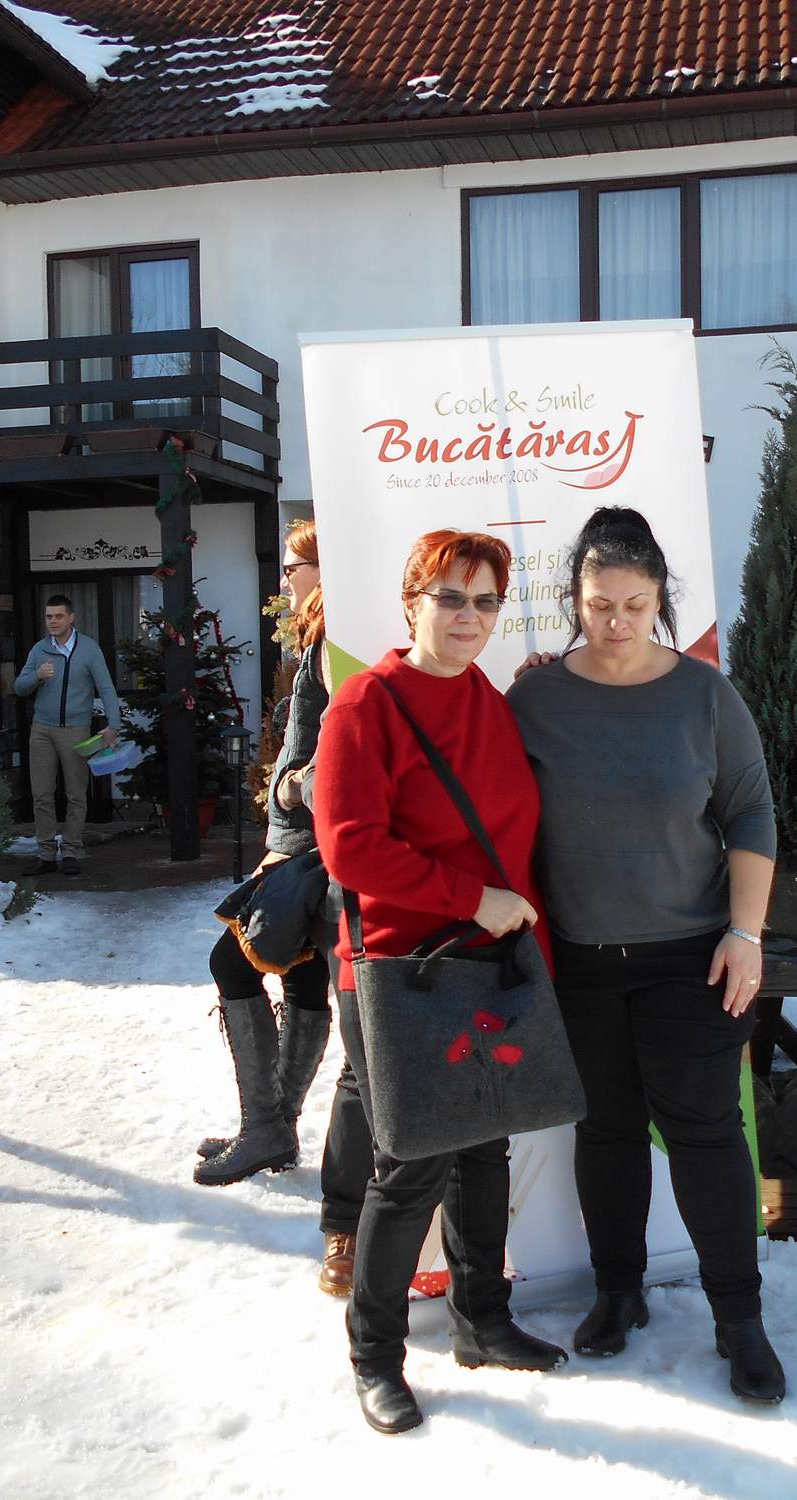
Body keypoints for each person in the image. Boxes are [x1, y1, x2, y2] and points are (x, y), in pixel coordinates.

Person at [504, 506, 787, 1405]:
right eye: (599, 606)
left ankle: (739, 1319)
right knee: (606, 1132)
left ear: (661, 598)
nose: (617, 623)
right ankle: (617, 1291)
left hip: (691, 959)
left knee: (706, 1134)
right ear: (574, 600)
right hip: (580, 960)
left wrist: (746, 934)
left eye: (634, 605)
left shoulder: (705, 695)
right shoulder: (536, 699)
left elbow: (750, 813)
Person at [312, 529, 567, 1435]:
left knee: (487, 1146)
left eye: (485, 600)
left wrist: (518, 933)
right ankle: (374, 1356)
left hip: (489, 959)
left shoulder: (489, 701)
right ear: (412, 601)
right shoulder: (366, 705)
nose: (469, 616)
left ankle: (481, 1320)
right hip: (400, 970)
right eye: (451, 597)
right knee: (411, 1163)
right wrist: (471, 899)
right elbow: (349, 847)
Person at [195, 521, 335, 1189]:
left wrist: (293, 788)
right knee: (302, 976)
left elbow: (334, 743)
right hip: (302, 842)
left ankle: (268, 1126)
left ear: (323, 569)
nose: (285, 579)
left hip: (309, 846)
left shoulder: (332, 641)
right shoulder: (318, 638)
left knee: (232, 961)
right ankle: (275, 1125)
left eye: (292, 567)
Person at [13, 594, 121, 877]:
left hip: (76, 730)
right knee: (41, 794)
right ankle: (46, 853)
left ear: (71, 617)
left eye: (59, 616)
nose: (53, 621)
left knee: (76, 793)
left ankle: (71, 849)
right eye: (49, 617)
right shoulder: (39, 650)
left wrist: (114, 724)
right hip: (42, 729)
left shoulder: (89, 649)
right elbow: (19, 687)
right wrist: (37, 676)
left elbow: (106, 688)